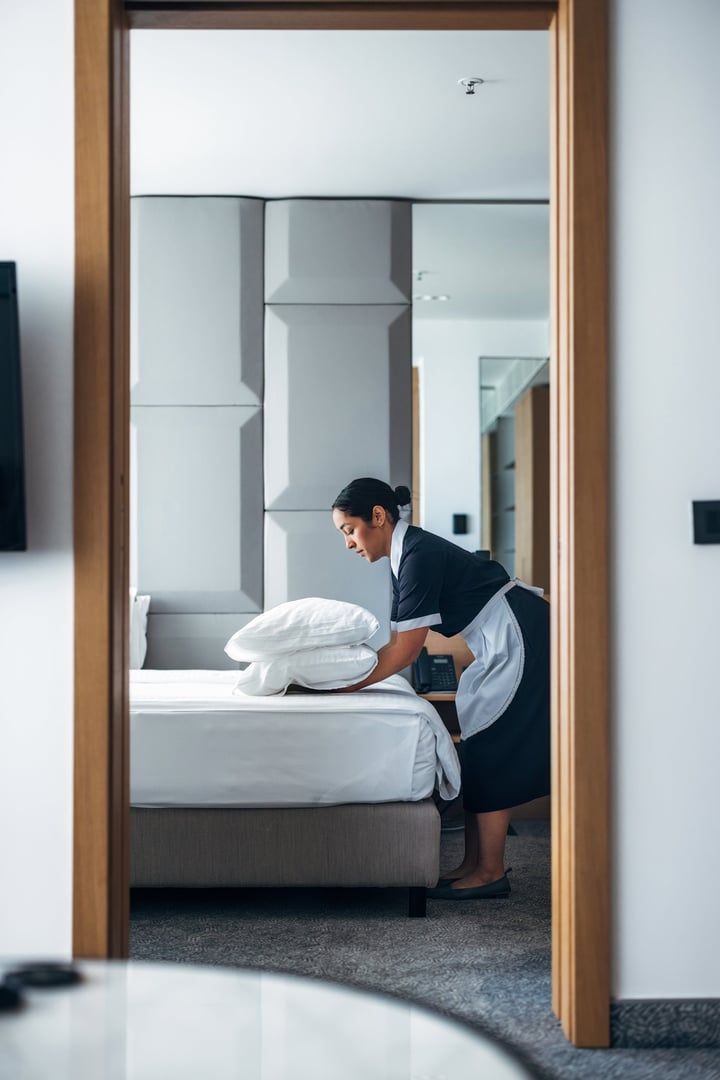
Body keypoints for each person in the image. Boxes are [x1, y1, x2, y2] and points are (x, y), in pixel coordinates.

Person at [331, 477, 550, 901]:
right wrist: (345, 680)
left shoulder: (417, 555)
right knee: (480, 742)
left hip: (520, 634)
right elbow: (397, 643)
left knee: (493, 744)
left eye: (349, 530)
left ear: (378, 517)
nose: (348, 544)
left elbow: (407, 653)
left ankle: (488, 873)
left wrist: (341, 687)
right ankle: (474, 864)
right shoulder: (404, 555)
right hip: (500, 633)